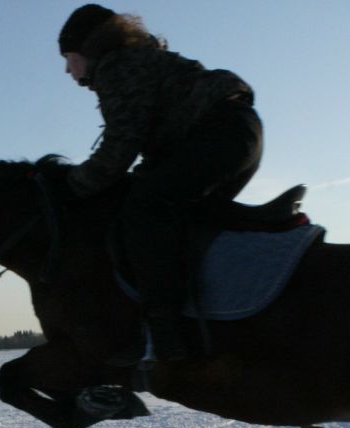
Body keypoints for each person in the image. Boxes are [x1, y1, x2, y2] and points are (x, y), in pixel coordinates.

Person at [57, 4, 263, 364]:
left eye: (68, 58)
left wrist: (70, 185)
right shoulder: (136, 61)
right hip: (235, 132)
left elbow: (120, 148)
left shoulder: (117, 67)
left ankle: (166, 334)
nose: (67, 70)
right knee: (172, 213)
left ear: (86, 50)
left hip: (220, 135)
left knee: (145, 208)